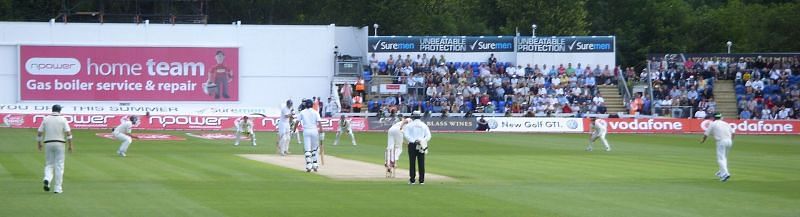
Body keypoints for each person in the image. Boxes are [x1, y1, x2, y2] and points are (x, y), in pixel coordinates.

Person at [37, 104, 73, 194]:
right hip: (60, 143)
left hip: (48, 143)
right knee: (59, 166)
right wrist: (70, 145)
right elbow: (68, 133)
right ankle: (57, 188)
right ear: (59, 110)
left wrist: (39, 143)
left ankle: (47, 179)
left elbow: (39, 132)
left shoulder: (46, 119)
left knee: (49, 164)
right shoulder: (63, 119)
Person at [700, 113, 735, 182]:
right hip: (729, 141)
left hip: (721, 141)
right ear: (720, 117)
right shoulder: (726, 123)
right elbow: (733, 133)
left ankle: (725, 173)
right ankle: (721, 172)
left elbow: (706, 134)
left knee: (720, 159)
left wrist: (703, 140)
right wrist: (730, 140)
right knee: (724, 158)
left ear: (713, 118)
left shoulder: (713, 124)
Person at [404, 111, 432, 185]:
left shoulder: (409, 125)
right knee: (421, 162)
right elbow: (428, 136)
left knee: (412, 162)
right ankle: (421, 180)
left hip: (412, 145)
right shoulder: (423, 125)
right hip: (421, 145)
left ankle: (412, 180)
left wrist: (413, 140)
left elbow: (406, 135)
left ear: (413, 117)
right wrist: (422, 141)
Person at [298, 99, 323, 172]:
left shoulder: (302, 112)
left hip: (306, 131)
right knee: (315, 149)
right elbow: (320, 123)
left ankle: (309, 165)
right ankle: (315, 165)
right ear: (312, 105)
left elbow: (297, 121)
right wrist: (321, 133)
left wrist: (293, 130)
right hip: (314, 131)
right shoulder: (315, 112)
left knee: (307, 149)